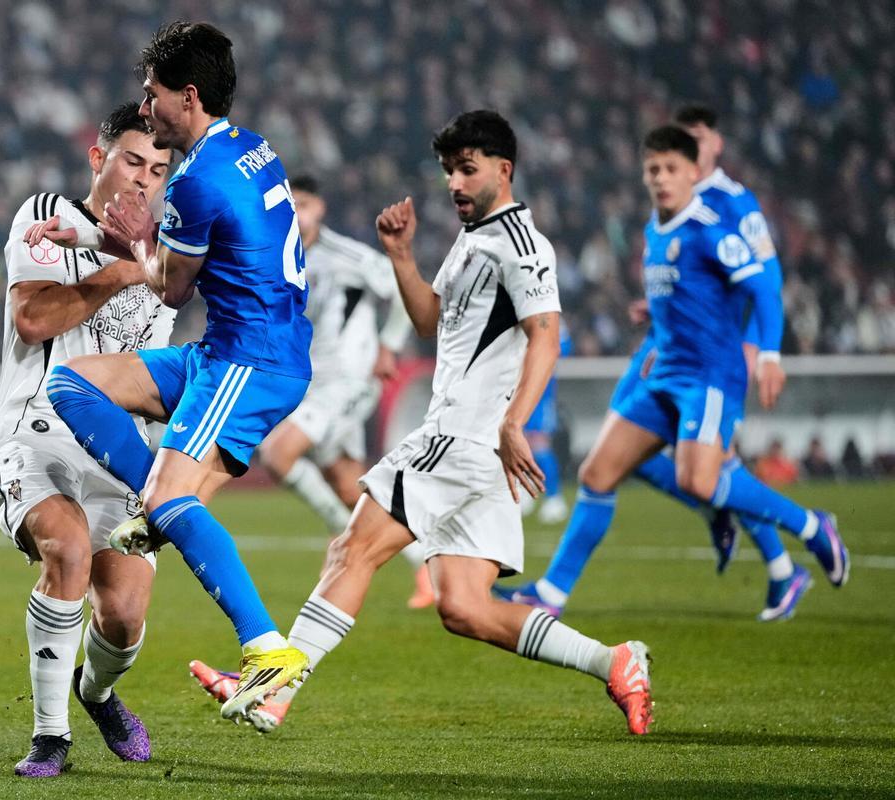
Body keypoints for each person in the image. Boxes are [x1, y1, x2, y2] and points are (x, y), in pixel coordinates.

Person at [191, 110, 654, 737]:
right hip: (477, 447)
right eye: (448, 172)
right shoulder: (474, 240)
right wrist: (403, 257)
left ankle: (273, 688)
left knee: (351, 549)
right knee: (464, 607)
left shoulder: (522, 245)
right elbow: (430, 322)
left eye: (468, 170)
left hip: (464, 436)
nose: (455, 184)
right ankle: (614, 661)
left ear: (503, 168)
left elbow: (546, 334)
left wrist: (516, 422)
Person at [38, 22, 314, 721]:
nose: (146, 106)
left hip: (246, 361)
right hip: (235, 351)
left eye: (151, 93)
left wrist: (132, 240)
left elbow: (170, 288)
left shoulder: (195, 181)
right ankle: (151, 508)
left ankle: (266, 649)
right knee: (74, 382)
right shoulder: (252, 146)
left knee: (167, 501)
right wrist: (107, 237)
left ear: (184, 96)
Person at [501, 110, 849, 622]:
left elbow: (764, 288)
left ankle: (813, 528)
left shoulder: (715, 227)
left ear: (693, 172)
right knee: (598, 471)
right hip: (665, 367)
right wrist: (660, 317)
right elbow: (686, 290)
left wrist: (768, 352)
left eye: (670, 168)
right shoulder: (654, 228)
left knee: (700, 481)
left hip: (709, 375)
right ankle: (551, 594)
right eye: (653, 170)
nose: (661, 178)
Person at [0, 102, 174, 778]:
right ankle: (49, 737)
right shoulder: (48, 218)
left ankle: (98, 692)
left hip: (118, 453)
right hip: (32, 435)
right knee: (68, 547)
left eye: (159, 168)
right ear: (99, 159)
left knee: (122, 616)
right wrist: (123, 267)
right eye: (132, 161)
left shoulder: (174, 256)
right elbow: (31, 319)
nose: (144, 179)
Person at [256, 175, 432, 609]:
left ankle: (341, 540)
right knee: (348, 485)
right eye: (289, 203)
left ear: (321, 210)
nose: (297, 211)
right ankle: (426, 566)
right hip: (310, 383)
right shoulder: (274, 258)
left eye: (305, 203)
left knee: (277, 454)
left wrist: (388, 347)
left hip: (349, 380)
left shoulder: (348, 256)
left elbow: (405, 292)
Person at [520, 319, 572, 524]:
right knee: (520, 442)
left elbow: (563, 347)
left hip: (540, 392)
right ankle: (525, 490)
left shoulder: (548, 313)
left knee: (539, 444)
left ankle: (555, 498)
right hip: (516, 388)